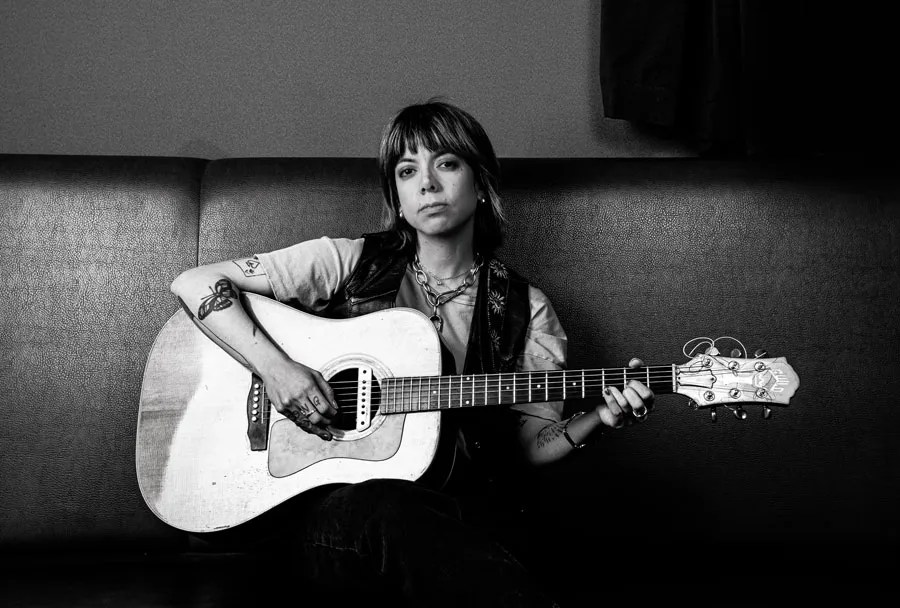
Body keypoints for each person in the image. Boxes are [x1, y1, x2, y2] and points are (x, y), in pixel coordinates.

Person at [170, 100, 654, 607]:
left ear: (480, 184)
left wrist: (597, 417)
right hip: (322, 519)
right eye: (407, 170)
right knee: (382, 505)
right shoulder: (348, 261)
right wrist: (277, 371)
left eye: (446, 163)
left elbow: (532, 444)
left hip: (451, 517)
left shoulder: (525, 310)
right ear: (397, 197)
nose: (427, 182)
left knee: (453, 519)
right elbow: (196, 282)